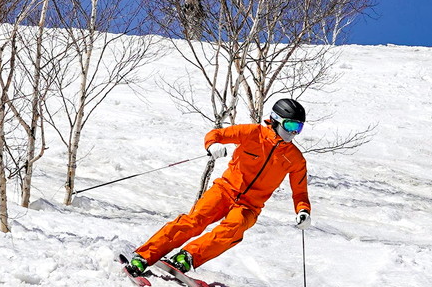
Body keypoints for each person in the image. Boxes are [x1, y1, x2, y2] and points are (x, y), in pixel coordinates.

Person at [125, 98, 311, 277]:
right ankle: (143, 256)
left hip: (249, 206)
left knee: (233, 230)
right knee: (194, 221)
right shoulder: (252, 133)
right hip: (224, 190)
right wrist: (212, 146)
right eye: (291, 126)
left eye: (299, 128)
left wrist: (303, 211)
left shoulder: (295, 159)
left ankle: (188, 257)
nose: (294, 133)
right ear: (277, 120)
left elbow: (300, 191)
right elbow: (216, 135)